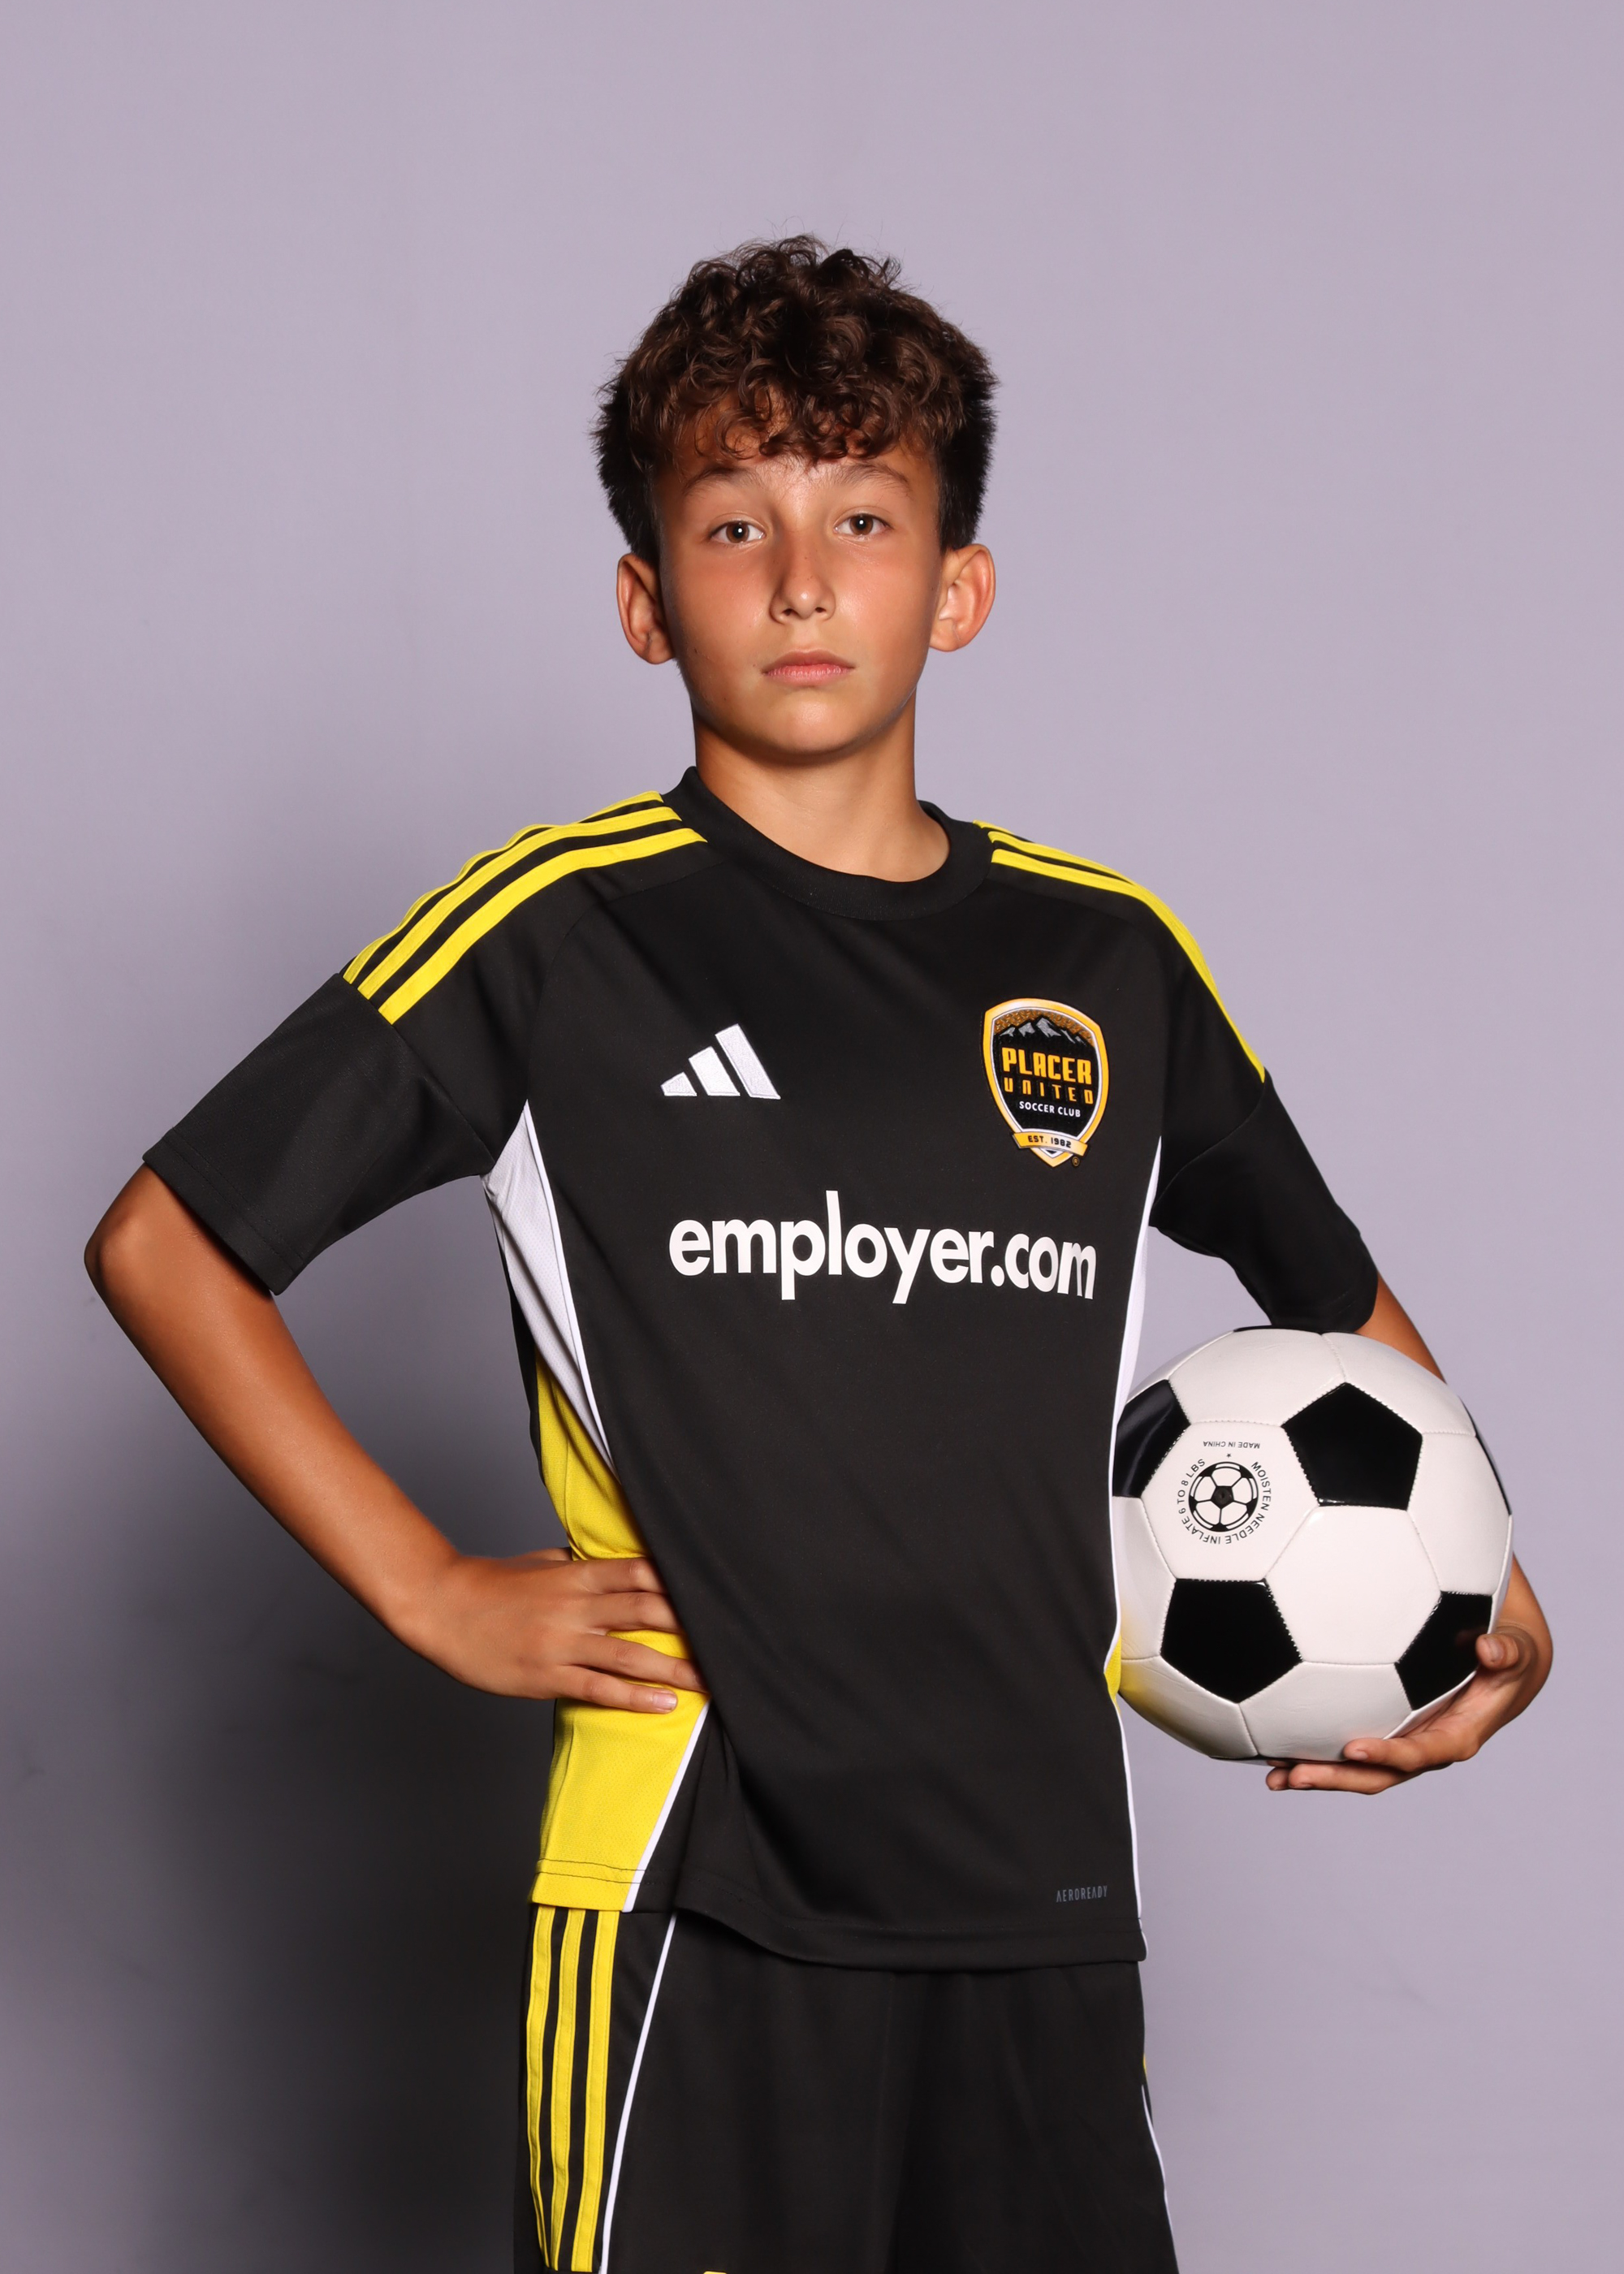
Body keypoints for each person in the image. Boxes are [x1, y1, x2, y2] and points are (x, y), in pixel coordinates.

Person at [87, 238, 1551, 2274]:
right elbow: (168, 1240)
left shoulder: (1106, 958)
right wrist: (427, 1585)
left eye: (862, 517)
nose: (797, 578)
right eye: (731, 523)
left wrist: (1475, 1573)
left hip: (1042, 1908)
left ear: (956, 586)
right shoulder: (560, 930)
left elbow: (1329, 1294)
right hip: (694, 1899)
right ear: (643, 598)